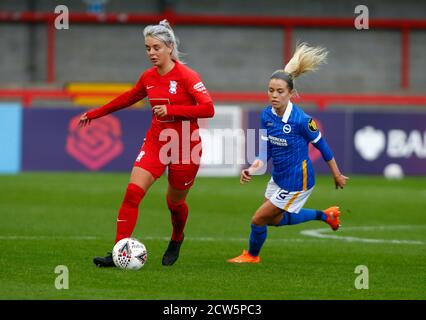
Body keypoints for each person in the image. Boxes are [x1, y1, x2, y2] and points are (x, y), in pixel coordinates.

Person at [79, 20, 215, 267]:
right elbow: (129, 97)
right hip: (156, 142)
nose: (151, 53)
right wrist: (95, 113)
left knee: (174, 204)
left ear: (170, 47)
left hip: (185, 146)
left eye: (156, 47)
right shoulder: (148, 77)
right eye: (148, 48)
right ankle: (119, 251)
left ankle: (176, 238)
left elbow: (208, 109)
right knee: (132, 193)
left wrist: (172, 109)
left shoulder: (187, 76)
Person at [228, 43, 349, 264]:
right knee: (274, 220)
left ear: (291, 93)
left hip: (298, 180)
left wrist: (337, 175)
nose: (274, 95)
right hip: (279, 177)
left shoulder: (301, 120)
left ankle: (252, 256)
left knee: (258, 220)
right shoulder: (267, 115)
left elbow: (323, 147)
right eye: (270, 90)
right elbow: (264, 151)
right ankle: (326, 215)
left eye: (280, 91)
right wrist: (252, 169)